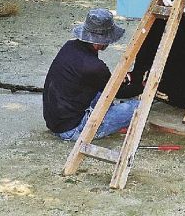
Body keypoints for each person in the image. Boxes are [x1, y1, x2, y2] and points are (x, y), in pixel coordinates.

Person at [43, 8, 140, 141]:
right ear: (101, 40)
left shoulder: (70, 46)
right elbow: (119, 93)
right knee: (138, 107)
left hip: (56, 121)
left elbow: (102, 83)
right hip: (73, 129)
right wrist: (143, 86)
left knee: (102, 94)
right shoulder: (94, 66)